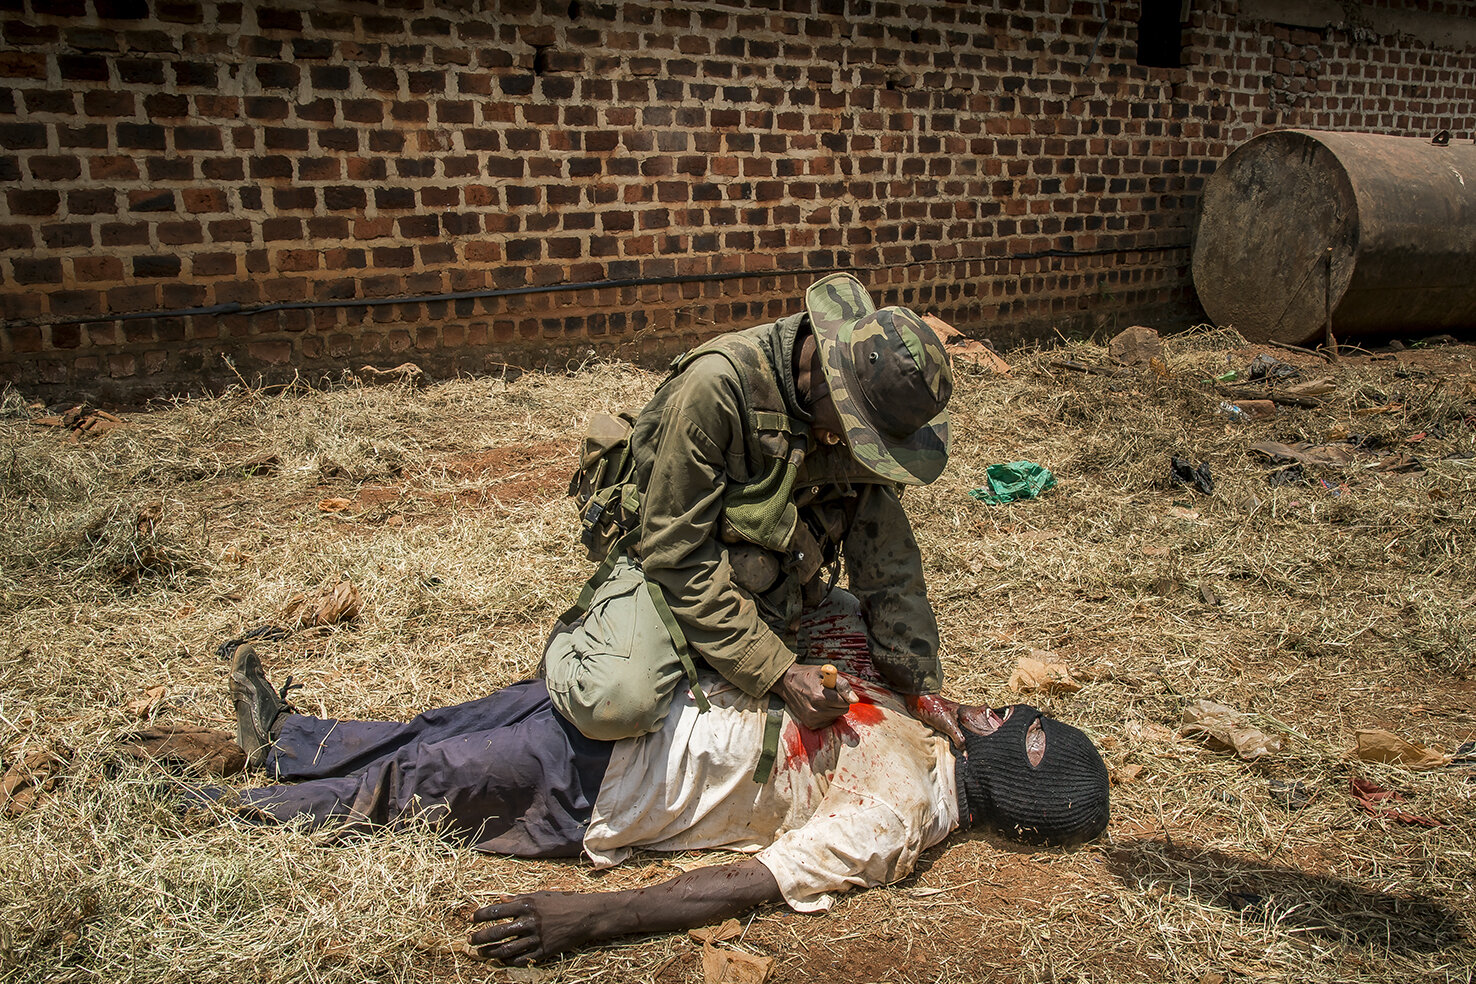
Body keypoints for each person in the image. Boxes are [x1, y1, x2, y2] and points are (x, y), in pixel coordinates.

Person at [222, 640, 1111, 966]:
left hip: (603, 786)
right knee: (437, 729)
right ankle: (290, 744)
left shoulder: (896, 818)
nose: (988, 708)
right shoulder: (923, 729)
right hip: (629, 705)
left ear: (1023, 765)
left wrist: (586, 921)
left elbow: (751, 882)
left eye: (1010, 720)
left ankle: (200, 812)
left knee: (404, 788)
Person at [544, 272, 968, 749]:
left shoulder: (848, 411)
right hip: (668, 563)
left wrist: (918, 688)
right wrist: (780, 674)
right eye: (864, 437)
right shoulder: (718, 388)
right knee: (616, 701)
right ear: (833, 387)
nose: (859, 449)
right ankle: (575, 646)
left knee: (863, 654)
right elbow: (674, 555)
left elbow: (889, 558)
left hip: (765, 572)